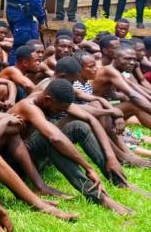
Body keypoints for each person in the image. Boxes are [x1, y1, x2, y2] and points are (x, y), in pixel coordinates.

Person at [9, 79, 133, 215]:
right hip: (15, 164)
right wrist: (87, 167)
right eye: (57, 109)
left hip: (32, 156)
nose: (58, 113)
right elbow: (55, 138)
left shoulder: (51, 98)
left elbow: (89, 118)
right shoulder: (28, 106)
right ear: (47, 100)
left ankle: (118, 179)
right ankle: (98, 197)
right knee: (50, 139)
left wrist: (111, 158)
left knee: (78, 126)